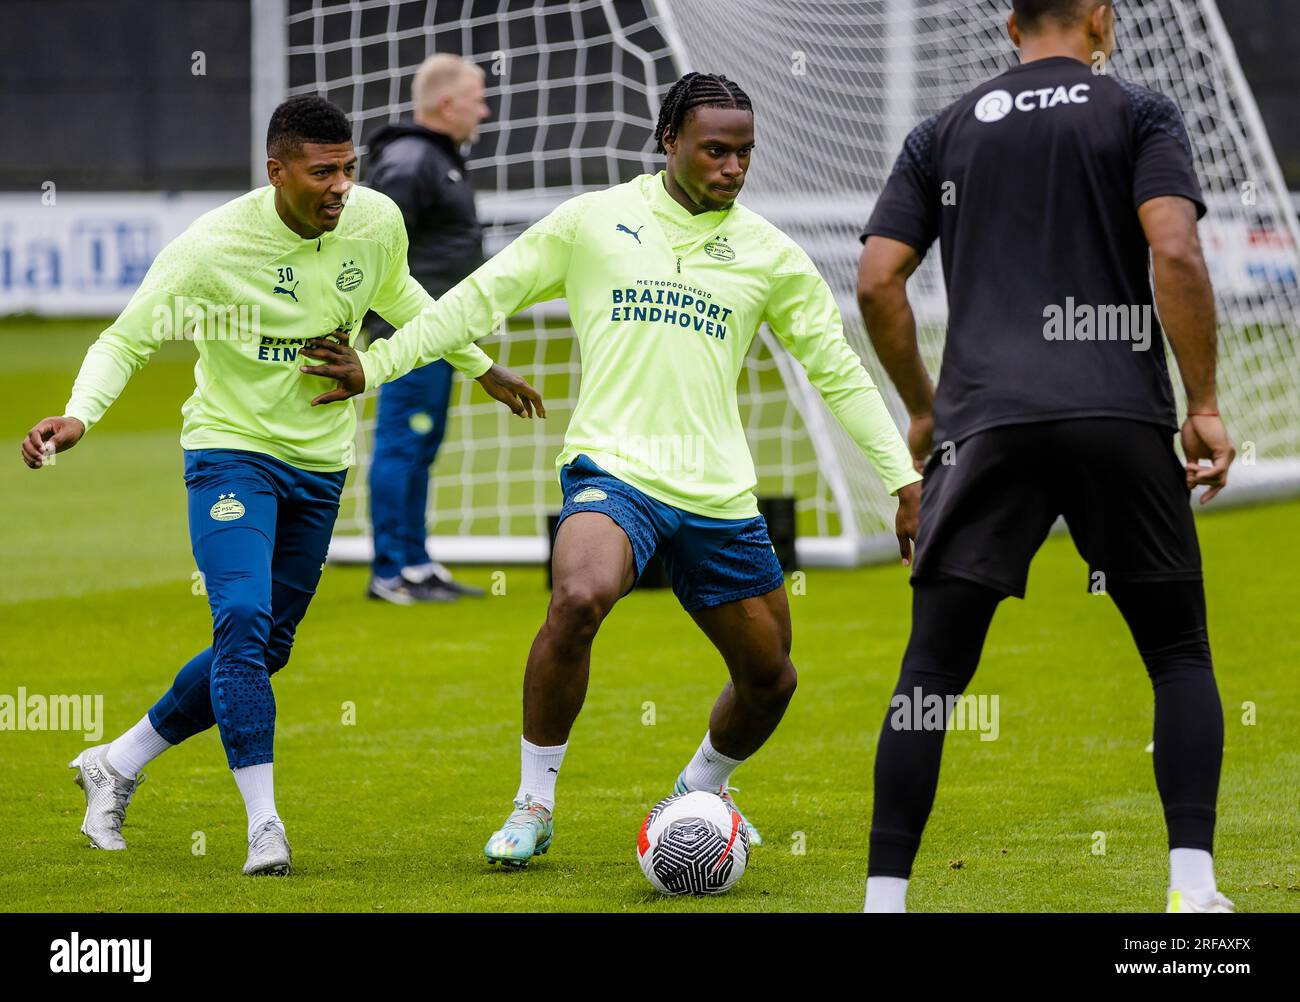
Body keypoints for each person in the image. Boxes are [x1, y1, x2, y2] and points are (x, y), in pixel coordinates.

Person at [299, 72, 923, 867]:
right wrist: (377, 365)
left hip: (717, 489)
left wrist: (903, 482)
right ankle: (533, 803)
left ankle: (699, 790)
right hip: (613, 469)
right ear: (670, 142)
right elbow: (475, 298)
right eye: (716, 151)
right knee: (579, 594)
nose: (734, 168)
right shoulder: (594, 222)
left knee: (771, 680)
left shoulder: (770, 255)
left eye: (745, 153)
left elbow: (837, 370)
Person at [20, 95, 543, 875]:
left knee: (266, 648)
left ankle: (118, 761)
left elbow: (403, 300)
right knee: (240, 618)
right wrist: (80, 414)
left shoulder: (373, 221)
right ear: (277, 173)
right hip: (231, 454)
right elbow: (125, 338)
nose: (341, 186)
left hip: (321, 464)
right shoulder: (210, 249)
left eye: (349, 168)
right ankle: (265, 826)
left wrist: (482, 367)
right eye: (322, 171)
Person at [856, 0, 1235, 912]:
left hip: (985, 423)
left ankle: (883, 902)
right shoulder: (1139, 113)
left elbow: (876, 280)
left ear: (1010, 25)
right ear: (1101, 19)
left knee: (930, 677)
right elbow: (1174, 251)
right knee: (1178, 654)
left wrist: (923, 405)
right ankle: (1192, 889)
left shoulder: (942, 131)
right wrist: (1206, 403)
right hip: (1115, 412)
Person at [365, 54, 493, 604]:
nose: (484, 111)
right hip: (409, 334)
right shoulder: (411, 160)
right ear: (446, 103)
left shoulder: (434, 159)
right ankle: (392, 572)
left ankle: (415, 563)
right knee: (403, 444)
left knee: (421, 444)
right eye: (476, 98)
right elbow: (371, 247)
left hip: (436, 332)